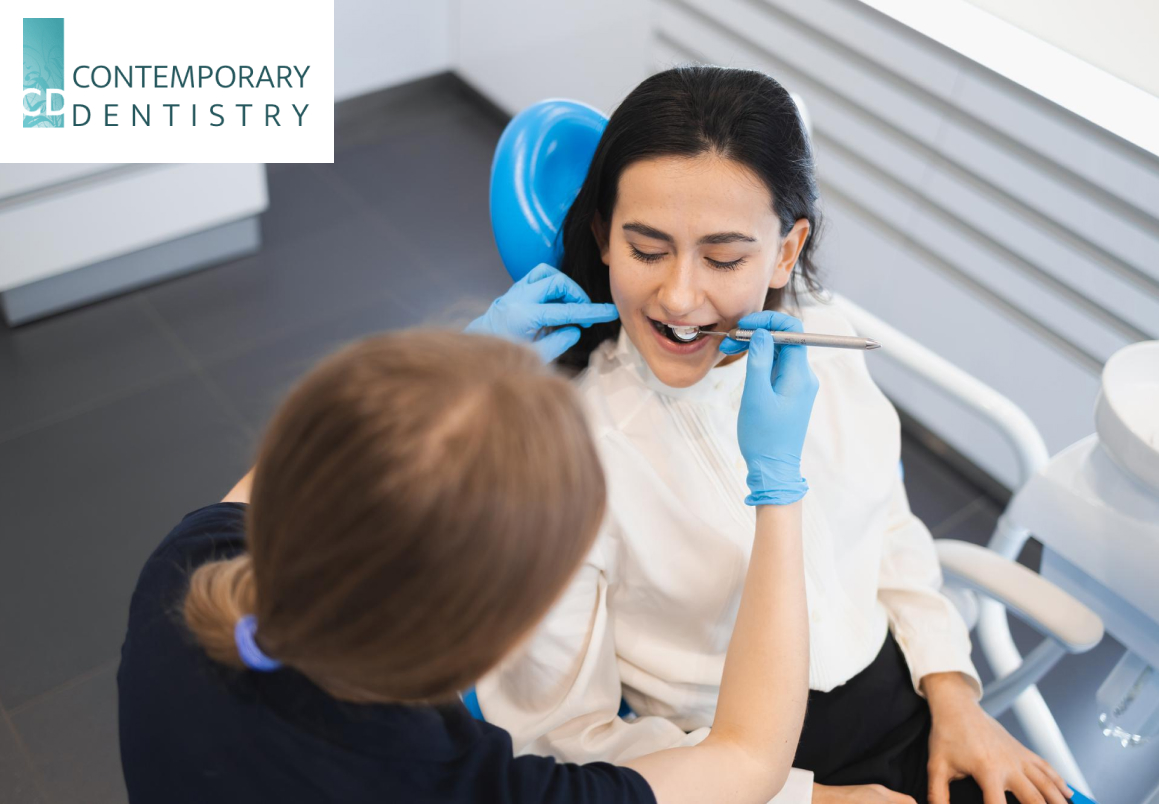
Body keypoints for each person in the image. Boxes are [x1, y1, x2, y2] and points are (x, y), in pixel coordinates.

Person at [475, 65, 1074, 804]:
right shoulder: (559, 453)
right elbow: (562, 741)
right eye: (646, 249)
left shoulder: (820, 339)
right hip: (709, 764)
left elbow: (886, 525)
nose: (681, 296)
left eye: (724, 258)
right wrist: (812, 799)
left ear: (786, 252)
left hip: (905, 699)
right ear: (601, 236)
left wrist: (954, 694)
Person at [116, 269, 818, 804]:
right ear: (489, 650)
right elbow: (747, 759)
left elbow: (288, 475)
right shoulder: (450, 783)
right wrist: (777, 488)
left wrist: (455, 380)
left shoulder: (184, 573)